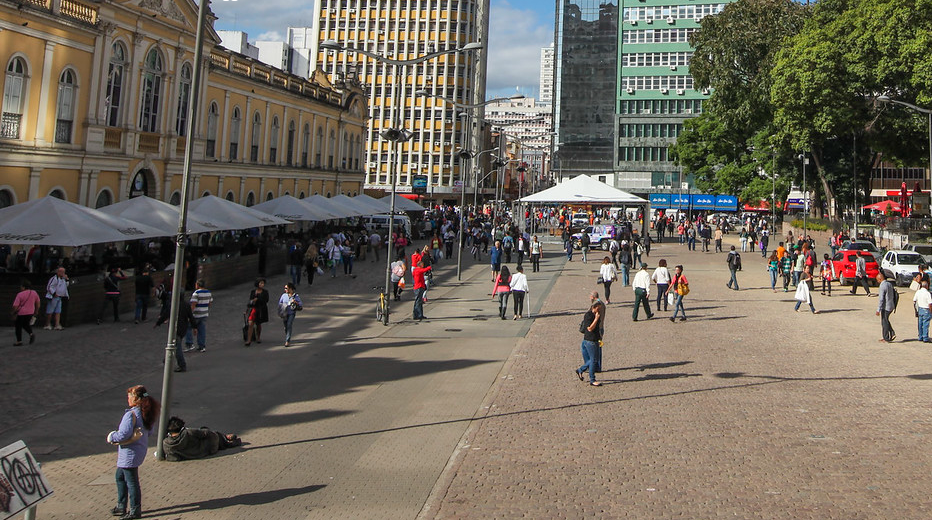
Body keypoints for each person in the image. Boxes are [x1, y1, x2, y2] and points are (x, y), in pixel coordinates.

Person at [106, 385, 160, 520]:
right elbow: (150, 431)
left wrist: (111, 436)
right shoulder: (146, 413)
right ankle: (121, 505)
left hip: (129, 453)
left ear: (135, 399)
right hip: (138, 451)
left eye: (129, 396)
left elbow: (123, 435)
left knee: (132, 482)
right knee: (120, 476)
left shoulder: (131, 415)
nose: (128, 399)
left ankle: (135, 510)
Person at [161, 416, 242, 462]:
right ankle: (227, 439)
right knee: (209, 432)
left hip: (195, 454)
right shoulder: (189, 432)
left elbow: (175, 458)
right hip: (208, 448)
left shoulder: (167, 444)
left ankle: (226, 438)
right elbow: (208, 433)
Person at [575, 291, 604, 386]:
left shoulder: (597, 314)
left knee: (592, 360)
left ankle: (580, 370)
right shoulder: (588, 315)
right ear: (593, 308)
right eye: (597, 309)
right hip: (589, 340)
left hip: (595, 339)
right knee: (593, 360)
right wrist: (596, 319)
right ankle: (592, 379)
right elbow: (590, 328)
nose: (598, 311)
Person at [184, 279, 212, 353]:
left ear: (198, 285)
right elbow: (209, 303)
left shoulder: (196, 293)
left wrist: (189, 315)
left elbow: (193, 305)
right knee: (202, 330)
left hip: (196, 315)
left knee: (188, 327)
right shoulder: (208, 292)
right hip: (204, 314)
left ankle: (189, 344)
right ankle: (201, 346)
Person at [11, 280, 39, 346]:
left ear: (23, 287)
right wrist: (36, 311)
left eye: (21, 286)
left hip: (21, 313)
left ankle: (19, 341)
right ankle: (31, 333)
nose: (20, 288)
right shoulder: (34, 293)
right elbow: (37, 303)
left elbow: (15, 305)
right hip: (30, 312)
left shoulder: (20, 294)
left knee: (18, 326)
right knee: (26, 324)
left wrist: (13, 312)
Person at [244, 278, 269, 346]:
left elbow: (266, 300)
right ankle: (249, 340)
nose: (262, 284)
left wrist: (258, 299)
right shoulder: (253, 291)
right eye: (260, 283)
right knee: (250, 323)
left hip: (261, 309)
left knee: (258, 324)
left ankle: (258, 337)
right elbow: (250, 300)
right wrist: (247, 308)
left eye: (263, 283)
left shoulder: (265, 292)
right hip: (253, 309)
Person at [278, 282, 303, 347]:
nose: (285, 289)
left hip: (291, 313)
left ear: (290, 289)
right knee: (286, 326)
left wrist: (296, 302)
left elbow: (300, 304)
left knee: (289, 324)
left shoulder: (295, 296)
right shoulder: (283, 295)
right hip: (284, 313)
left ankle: (287, 340)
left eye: (286, 288)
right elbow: (280, 303)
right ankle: (287, 335)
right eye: (285, 288)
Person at [876, 272, 898, 342]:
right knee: (886, 320)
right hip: (891, 305)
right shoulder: (889, 284)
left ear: (880, 279)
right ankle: (891, 333)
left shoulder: (882, 286)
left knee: (884, 322)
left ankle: (886, 337)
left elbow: (881, 299)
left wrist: (878, 309)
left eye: (878, 280)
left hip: (886, 307)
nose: (877, 281)